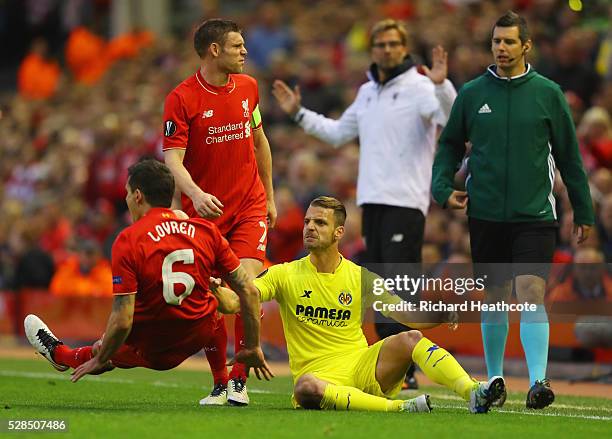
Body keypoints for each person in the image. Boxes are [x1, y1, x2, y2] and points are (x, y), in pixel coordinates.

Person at [272, 18, 457, 389]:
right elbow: (339, 133)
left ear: (404, 48)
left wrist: (442, 86)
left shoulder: (421, 86)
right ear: (372, 50)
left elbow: (449, 118)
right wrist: (298, 113)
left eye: (393, 44)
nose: (386, 50)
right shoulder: (367, 92)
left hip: (405, 200)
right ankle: (393, 367)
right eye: (380, 45)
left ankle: (406, 368)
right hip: (372, 200)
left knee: (399, 283)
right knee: (380, 285)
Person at [431, 11, 595, 409]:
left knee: (530, 291)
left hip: (534, 215)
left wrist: (584, 210)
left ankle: (539, 381)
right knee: (496, 296)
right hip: (485, 213)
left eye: (508, 42)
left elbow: (570, 157)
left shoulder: (548, 93)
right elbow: (450, 146)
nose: (501, 48)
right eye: (496, 42)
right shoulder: (472, 94)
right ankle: (496, 379)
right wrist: (441, 188)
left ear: (526, 46)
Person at [213, 196, 505, 414]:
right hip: (320, 376)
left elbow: (404, 312)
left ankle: (473, 392)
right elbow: (239, 301)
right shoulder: (284, 273)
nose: (310, 228)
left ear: (339, 233)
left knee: (410, 338)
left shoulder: (360, 276)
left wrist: (440, 313)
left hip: (363, 366)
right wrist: (217, 292)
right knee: (305, 387)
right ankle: (399, 408)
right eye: (307, 222)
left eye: (320, 222)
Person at [24, 160, 272, 396]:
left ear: (138, 196)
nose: (126, 198)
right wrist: (252, 346)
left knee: (105, 346)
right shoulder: (207, 231)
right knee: (213, 294)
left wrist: (101, 356)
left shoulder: (129, 239)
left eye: (127, 192)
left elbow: (122, 321)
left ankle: (62, 355)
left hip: (151, 349)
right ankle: (225, 383)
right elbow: (249, 292)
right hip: (196, 337)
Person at [163, 18, 276, 405]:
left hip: (248, 205)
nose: (245, 52)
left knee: (247, 285)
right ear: (214, 50)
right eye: (237, 46)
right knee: (210, 296)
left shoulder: (248, 88)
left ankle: (240, 382)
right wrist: (196, 194)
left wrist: (271, 198)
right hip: (205, 213)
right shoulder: (182, 98)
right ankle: (219, 380)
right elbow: (173, 161)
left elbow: (259, 140)